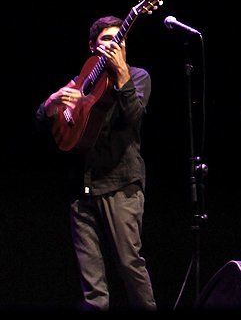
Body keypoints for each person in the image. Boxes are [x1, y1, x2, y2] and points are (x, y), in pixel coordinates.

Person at [35, 16, 157, 311]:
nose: (116, 43)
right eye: (107, 39)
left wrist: (122, 73)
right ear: (92, 46)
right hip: (82, 187)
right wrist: (52, 104)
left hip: (120, 183)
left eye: (121, 39)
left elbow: (134, 118)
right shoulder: (83, 78)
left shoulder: (138, 76)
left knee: (130, 265)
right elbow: (45, 121)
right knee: (92, 287)